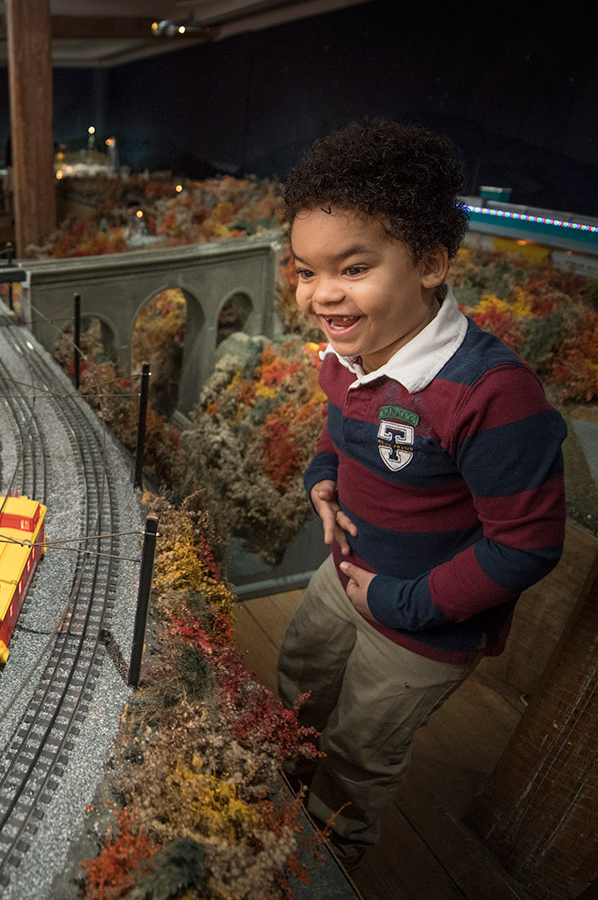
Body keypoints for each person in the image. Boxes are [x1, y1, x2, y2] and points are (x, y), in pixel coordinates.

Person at [276, 118, 566, 869]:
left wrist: (400, 604)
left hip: (420, 627)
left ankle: (322, 870)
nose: (322, 295)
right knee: (294, 692)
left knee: (356, 753)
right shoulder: (347, 354)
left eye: (353, 268)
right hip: (344, 577)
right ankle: (271, 804)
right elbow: (337, 433)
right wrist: (323, 480)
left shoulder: (490, 395)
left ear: (432, 262)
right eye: (306, 271)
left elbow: (526, 546)